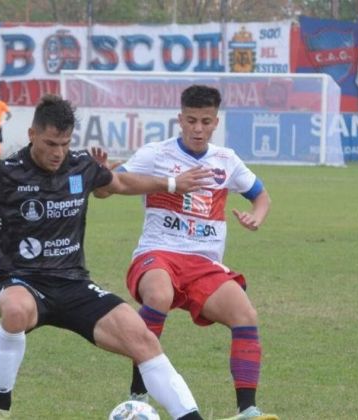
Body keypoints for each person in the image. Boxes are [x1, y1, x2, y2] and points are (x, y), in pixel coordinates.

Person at [0, 94, 217, 420]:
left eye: (64, 145)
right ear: (32, 133)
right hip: (20, 279)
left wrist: (171, 184)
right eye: (50, 144)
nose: (58, 153)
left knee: (143, 339)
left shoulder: (80, 165)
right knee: (16, 310)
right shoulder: (5, 173)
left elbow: (121, 184)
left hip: (73, 282)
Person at [95, 85, 277, 420]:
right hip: (158, 253)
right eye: (191, 120)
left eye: (205, 121)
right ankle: (139, 394)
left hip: (204, 264)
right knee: (159, 294)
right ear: (180, 119)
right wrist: (101, 175)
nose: (198, 128)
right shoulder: (156, 154)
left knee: (246, 315)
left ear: (215, 122)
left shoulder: (227, 160)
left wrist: (257, 217)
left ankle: (248, 410)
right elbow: (110, 188)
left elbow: (261, 196)